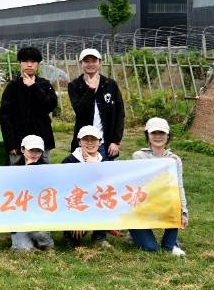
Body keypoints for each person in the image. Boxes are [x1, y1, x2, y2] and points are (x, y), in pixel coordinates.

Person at [129, 117, 188, 256]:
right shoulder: (139, 156)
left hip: (165, 203)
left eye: (161, 133)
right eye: (153, 133)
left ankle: (171, 243)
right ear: (147, 135)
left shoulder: (175, 159)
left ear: (168, 136)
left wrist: (184, 211)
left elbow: (179, 186)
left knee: (175, 202)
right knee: (151, 248)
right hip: (144, 205)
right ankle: (133, 233)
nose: (158, 136)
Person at [0, 46, 58, 165]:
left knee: (44, 171)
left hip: (42, 139)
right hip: (18, 141)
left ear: (38, 64)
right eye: (25, 61)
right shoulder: (13, 86)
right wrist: (11, 143)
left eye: (33, 61)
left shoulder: (44, 84)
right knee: (18, 172)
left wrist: (34, 87)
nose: (29, 65)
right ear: (20, 63)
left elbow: (50, 106)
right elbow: (5, 116)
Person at [67, 48, 124, 161]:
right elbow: (79, 110)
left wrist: (116, 141)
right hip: (84, 143)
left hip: (106, 143)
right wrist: (90, 89)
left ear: (100, 63)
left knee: (106, 171)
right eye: (86, 61)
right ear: (81, 63)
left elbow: (119, 114)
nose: (90, 64)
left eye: (94, 61)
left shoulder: (110, 84)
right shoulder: (74, 85)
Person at [61, 126, 110, 247]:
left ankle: (99, 236)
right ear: (79, 142)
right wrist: (78, 219)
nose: (89, 143)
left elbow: (110, 186)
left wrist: (95, 167)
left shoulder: (105, 161)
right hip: (75, 205)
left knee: (104, 198)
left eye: (93, 139)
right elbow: (64, 192)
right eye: (85, 139)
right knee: (74, 241)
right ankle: (69, 232)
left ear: (100, 142)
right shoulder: (69, 162)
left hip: (96, 202)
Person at [9, 135, 55, 252]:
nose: (34, 154)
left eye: (38, 151)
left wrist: (32, 169)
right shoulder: (12, 168)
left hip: (40, 214)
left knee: (39, 233)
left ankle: (46, 243)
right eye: (31, 150)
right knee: (22, 249)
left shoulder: (47, 168)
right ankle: (27, 241)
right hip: (19, 215)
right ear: (22, 149)